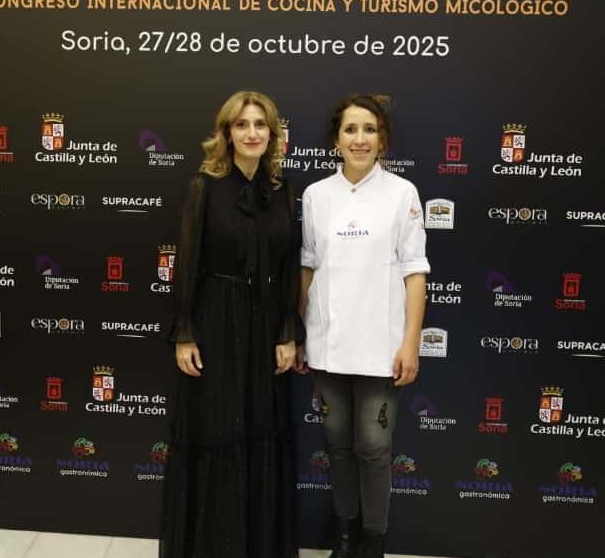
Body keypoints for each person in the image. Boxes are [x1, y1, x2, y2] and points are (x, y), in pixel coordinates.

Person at [160, 90, 301, 558]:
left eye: (260, 124)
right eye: (242, 124)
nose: (252, 133)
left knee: (261, 431)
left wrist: (287, 331)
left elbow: (289, 266)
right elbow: (187, 264)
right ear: (226, 133)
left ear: (272, 134)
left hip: (266, 326)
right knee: (219, 431)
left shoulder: (282, 190)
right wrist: (184, 332)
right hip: (216, 323)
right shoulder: (203, 187)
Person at [294, 94, 429, 558]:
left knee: (373, 447)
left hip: (381, 348)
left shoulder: (402, 193)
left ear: (382, 139)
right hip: (328, 346)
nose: (359, 139)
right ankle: (345, 537)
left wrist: (411, 343)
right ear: (336, 140)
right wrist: (303, 333)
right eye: (350, 129)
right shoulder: (317, 195)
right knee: (337, 446)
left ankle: (373, 542)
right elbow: (308, 267)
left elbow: (415, 272)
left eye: (369, 129)